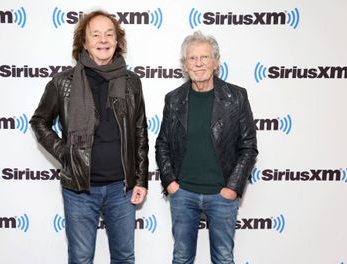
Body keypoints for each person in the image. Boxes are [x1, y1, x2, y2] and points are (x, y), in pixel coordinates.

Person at [30, 10, 149, 264]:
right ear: (84, 42)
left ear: (117, 42)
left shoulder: (131, 82)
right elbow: (40, 121)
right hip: (79, 190)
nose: (103, 40)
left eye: (109, 34)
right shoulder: (63, 83)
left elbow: (140, 131)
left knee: (125, 257)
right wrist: (65, 153)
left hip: (122, 188)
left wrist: (141, 179)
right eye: (95, 34)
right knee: (81, 258)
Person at [155, 31, 258, 264]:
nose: (199, 63)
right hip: (183, 194)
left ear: (216, 61)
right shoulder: (173, 99)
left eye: (204, 57)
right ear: (184, 64)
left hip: (222, 195)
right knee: (181, 257)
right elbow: (162, 144)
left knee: (223, 258)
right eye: (192, 58)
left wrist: (232, 188)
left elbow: (249, 147)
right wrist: (171, 183)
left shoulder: (236, 97)